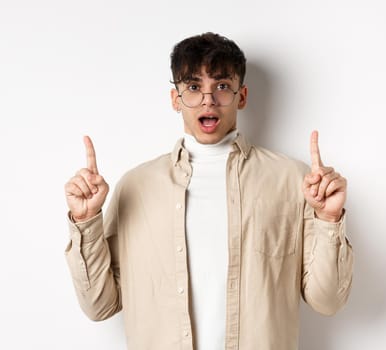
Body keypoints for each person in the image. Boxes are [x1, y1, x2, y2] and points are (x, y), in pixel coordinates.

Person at [64, 32, 353, 350]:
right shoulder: (136, 187)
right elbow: (99, 305)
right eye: (193, 87)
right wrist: (87, 220)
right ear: (176, 99)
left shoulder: (293, 181)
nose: (208, 99)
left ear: (241, 96)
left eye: (222, 86)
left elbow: (328, 301)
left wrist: (328, 217)